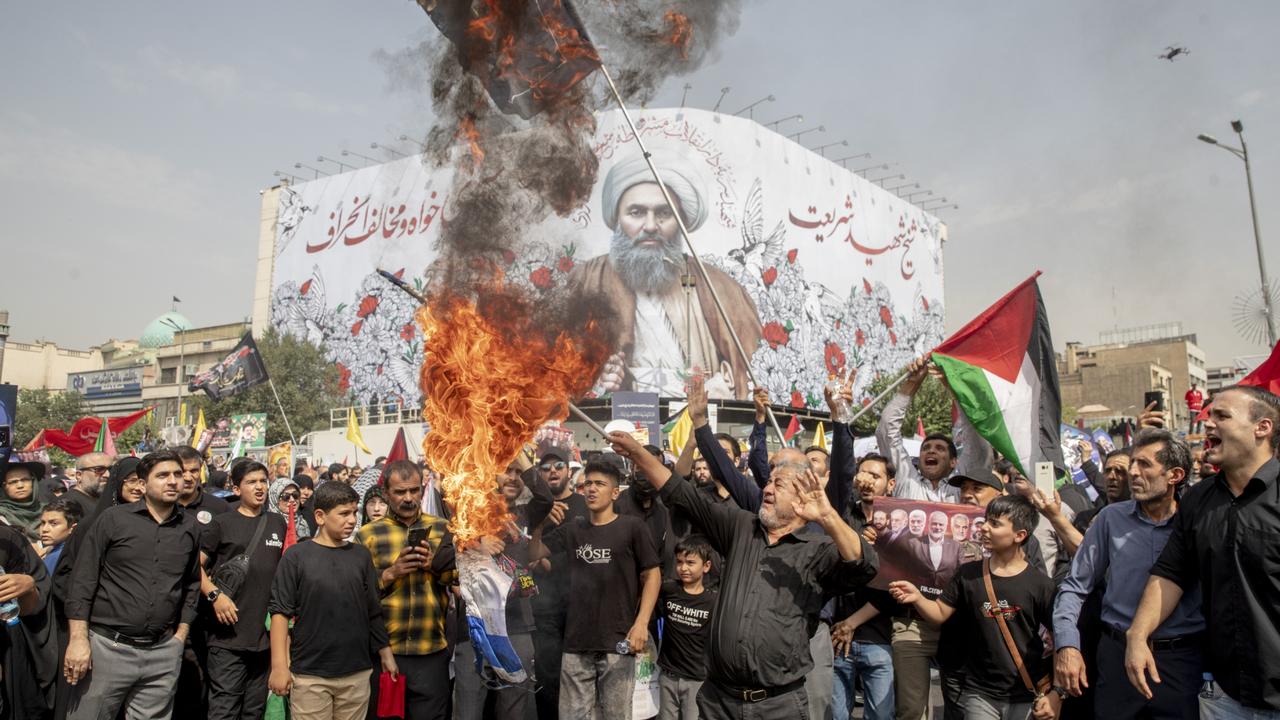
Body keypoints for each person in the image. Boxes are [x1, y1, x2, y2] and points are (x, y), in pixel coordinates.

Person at [608, 417, 877, 720]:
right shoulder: (741, 527)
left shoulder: (817, 550)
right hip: (718, 701)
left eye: (778, 484)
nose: (767, 489)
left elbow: (863, 565)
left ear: (802, 496)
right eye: (767, 482)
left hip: (779, 706)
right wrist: (636, 452)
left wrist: (827, 517)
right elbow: (681, 493)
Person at [1126, 385, 1280, 716]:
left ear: (1262, 428)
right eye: (1208, 414)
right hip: (1224, 695)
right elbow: (1171, 573)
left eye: (1222, 415)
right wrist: (1138, 635)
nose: (1207, 423)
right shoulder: (1198, 500)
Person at [572, 150, 763, 399]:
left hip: (700, 423)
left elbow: (741, 372)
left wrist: (710, 390)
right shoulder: (586, 281)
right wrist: (604, 379)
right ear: (617, 218)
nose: (650, 226)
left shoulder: (720, 289)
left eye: (664, 213)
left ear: (680, 220)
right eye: (636, 212)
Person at [1053, 429, 1203, 719]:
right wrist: (1068, 644)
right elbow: (1074, 587)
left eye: (1144, 465)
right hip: (1116, 658)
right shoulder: (1110, 519)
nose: (1132, 472)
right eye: (1132, 463)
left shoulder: (1197, 521)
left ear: (1175, 475)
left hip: (1180, 663)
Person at [890, 495, 1061, 720]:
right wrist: (917, 598)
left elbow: (1060, 638)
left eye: (995, 524)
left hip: (1026, 694)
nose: (985, 528)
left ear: (1020, 535)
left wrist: (1057, 694)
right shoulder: (967, 574)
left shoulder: (1040, 585)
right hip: (979, 694)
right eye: (986, 521)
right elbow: (940, 613)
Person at [63, 449, 203, 720]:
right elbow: (82, 581)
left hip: (163, 652)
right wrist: (78, 640)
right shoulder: (113, 520)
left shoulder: (190, 527)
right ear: (142, 483)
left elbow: (191, 585)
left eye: (178, 474)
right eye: (163, 475)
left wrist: (179, 638)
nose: (173, 481)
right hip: (107, 649)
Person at [530, 460, 661, 720]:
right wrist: (540, 524)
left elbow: (652, 575)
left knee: (616, 715)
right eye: (588, 483)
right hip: (576, 642)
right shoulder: (573, 530)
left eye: (599, 484)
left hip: (618, 643)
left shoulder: (632, 527)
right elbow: (534, 554)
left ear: (615, 492)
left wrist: (642, 623)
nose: (591, 489)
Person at [268, 481, 396, 720]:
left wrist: (385, 653)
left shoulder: (360, 555)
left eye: (354, 512)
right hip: (310, 675)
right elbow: (280, 613)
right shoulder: (297, 556)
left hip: (356, 673)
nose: (351, 520)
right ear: (320, 516)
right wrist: (279, 666)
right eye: (344, 513)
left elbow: (372, 609)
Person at [355, 460, 455, 720]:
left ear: (422, 490)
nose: (408, 498)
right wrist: (390, 573)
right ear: (386, 494)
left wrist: (435, 564)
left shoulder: (444, 529)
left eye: (414, 490)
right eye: (400, 492)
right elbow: (356, 591)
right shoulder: (367, 535)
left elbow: (456, 580)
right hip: (386, 652)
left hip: (430, 650)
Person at [200, 460, 287, 720]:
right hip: (227, 637)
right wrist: (215, 596)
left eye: (263, 481)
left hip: (263, 638)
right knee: (225, 709)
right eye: (251, 482)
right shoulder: (221, 523)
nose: (259, 487)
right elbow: (194, 567)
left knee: (253, 710)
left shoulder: (277, 523)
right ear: (236, 489)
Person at [831, 452, 898, 720]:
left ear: (890, 484)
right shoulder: (844, 516)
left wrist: (852, 623)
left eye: (876, 475)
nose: (868, 481)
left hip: (878, 639)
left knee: (881, 715)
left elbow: (894, 587)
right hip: (836, 637)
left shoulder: (901, 523)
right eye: (863, 474)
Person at [529, 447, 588, 720]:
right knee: (548, 675)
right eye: (546, 467)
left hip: (579, 604)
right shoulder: (534, 507)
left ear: (569, 470)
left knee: (579, 677)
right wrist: (541, 518)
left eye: (558, 465)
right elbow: (530, 553)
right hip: (545, 607)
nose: (553, 470)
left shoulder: (584, 503)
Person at [657, 536, 717, 720]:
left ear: (706, 566)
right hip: (667, 676)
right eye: (680, 562)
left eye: (691, 563)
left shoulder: (713, 601)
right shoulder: (668, 590)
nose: (684, 568)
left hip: (696, 681)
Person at [0, 459, 47, 540]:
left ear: (33, 482)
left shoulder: (49, 509)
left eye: (25, 480)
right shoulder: (2, 515)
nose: (20, 486)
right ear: (4, 487)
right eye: (13, 482)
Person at [65, 452, 113, 521]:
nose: (107, 475)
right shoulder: (68, 504)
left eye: (111, 469)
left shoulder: (107, 499)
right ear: (79, 475)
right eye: (99, 470)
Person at [39, 499, 82, 574]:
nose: (44, 529)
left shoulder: (58, 557)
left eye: (54, 523)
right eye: (43, 523)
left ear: (73, 527)